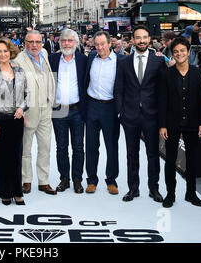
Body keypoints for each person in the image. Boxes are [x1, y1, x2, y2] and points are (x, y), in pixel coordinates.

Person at [115, 25, 166, 203]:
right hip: (130, 116)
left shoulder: (158, 61)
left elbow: (163, 90)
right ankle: (133, 189)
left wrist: (161, 115)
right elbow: (119, 89)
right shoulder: (123, 62)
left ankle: (154, 189)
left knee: (153, 154)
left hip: (152, 115)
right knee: (132, 154)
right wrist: (120, 112)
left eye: (145, 37)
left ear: (149, 39)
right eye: (138, 38)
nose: (142, 41)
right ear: (133, 40)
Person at [159, 37, 201, 208]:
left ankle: (191, 193)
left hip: (193, 123)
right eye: (176, 51)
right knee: (170, 160)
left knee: (192, 159)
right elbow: (162, 100)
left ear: (188, 53)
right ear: (173, 54)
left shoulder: (198, 73)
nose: (179, 54)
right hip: (172, 123)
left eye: (182, 51)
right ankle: (170, 194)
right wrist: (162, 125)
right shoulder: (166, 74)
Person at [0, 38, 28, 205]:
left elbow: (27, 94)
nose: (3, 54)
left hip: (16, 120)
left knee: (16, 157)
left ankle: (17, 192)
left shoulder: (20, 71)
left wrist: (22, 108)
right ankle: (5, 192)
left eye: (5, 51)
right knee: (1, 158)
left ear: (11, 52)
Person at [13, 30, 57, 195]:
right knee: (26, 148)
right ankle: (27, 180)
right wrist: (20, 111)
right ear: (25, 43)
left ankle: (43, 181)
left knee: (45, 147)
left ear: (42, 43)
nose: (34, 45)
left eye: (38, 42)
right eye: (31, 42)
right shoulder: (18, 61)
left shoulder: (44, 53)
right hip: (28, 110)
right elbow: (16, 88)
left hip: (46, 108)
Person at [84, 31, 124, 195]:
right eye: (97, 44)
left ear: (110, 43)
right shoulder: (91, 57)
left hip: (111, 108)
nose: (100, 47)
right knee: (91, 146)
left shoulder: (120, 61)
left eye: (103, 44)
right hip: (92, 106)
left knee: (112, 146)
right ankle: (91, 180)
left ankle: (111, 180)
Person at [49, 29, 87, 193]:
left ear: (76, 43)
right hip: (58, 110)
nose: (66, 43)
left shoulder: (83, 60)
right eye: (64, 40)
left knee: (78, 147)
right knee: (61, 147)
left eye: (70, 41)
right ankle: (64, 179)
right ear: (60, 43)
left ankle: (77, 180)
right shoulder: (52, 59)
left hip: (77, 109)